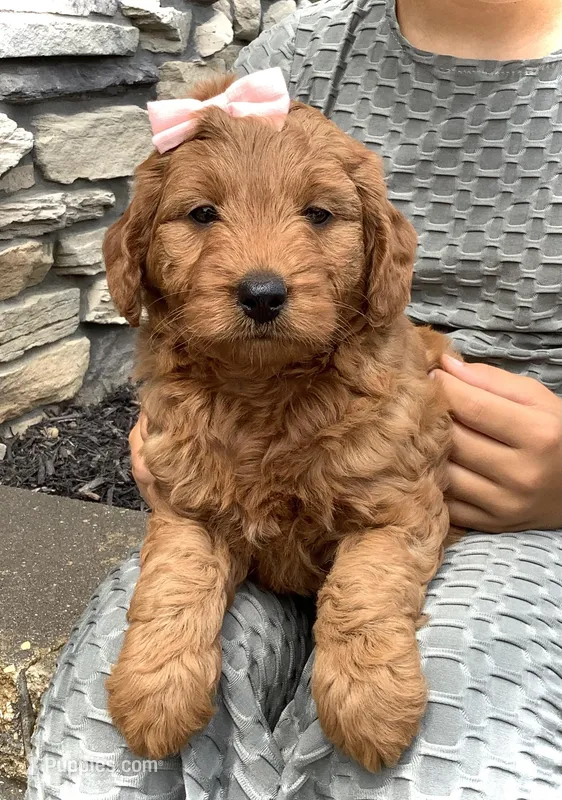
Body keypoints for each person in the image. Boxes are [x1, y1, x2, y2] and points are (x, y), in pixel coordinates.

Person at [27, 1, 562, 798]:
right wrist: (187, 497)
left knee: (441, 751)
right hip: (236, 486)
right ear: (135, 252)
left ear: (383, 254)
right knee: (118, 746)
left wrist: (360, 627)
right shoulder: (296, 57)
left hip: (509, 522)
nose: (261, 269)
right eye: (203, 218)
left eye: (318, 217)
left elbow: (394, 513)